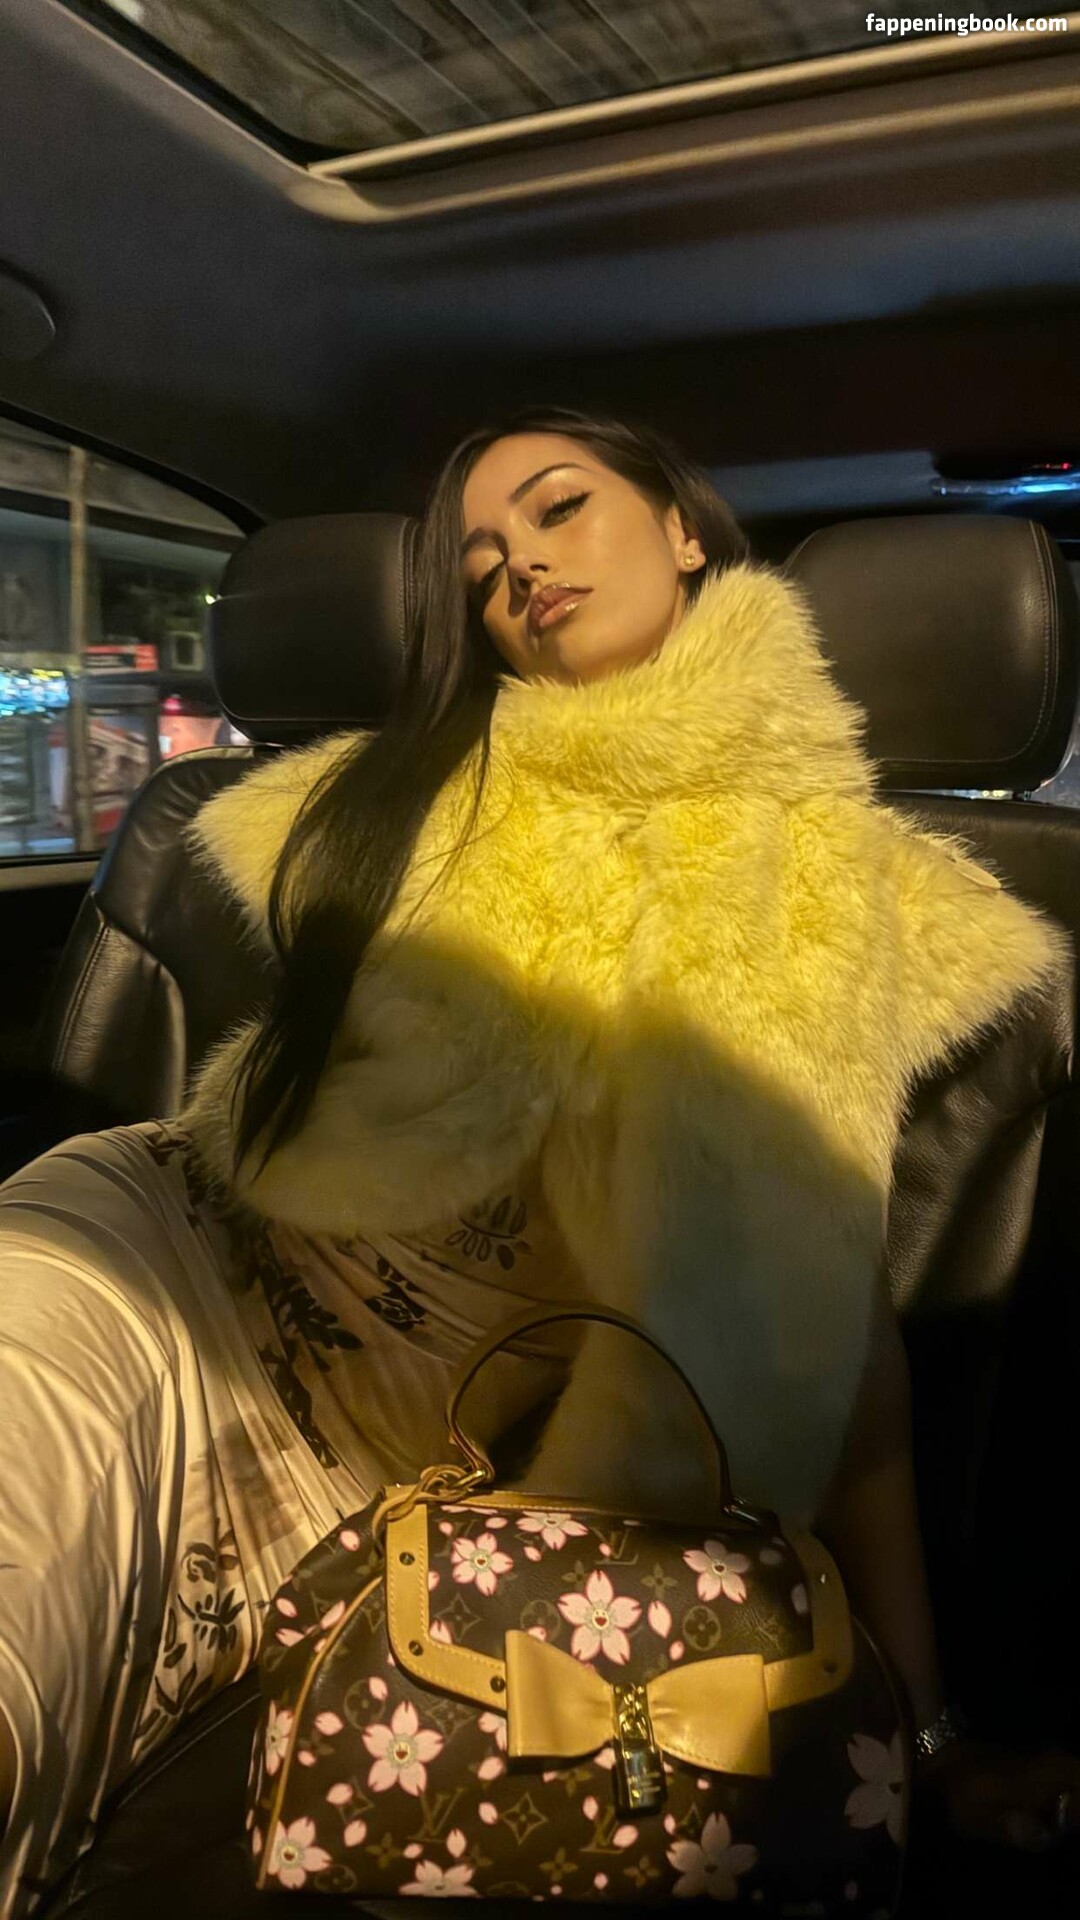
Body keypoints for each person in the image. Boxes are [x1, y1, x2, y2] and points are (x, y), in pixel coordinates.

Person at [0, 408, 1078, 1910]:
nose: (519, 567)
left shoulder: (856, 898)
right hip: (156, 1273)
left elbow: (834, 1345)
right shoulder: (374, 807)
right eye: (482, 563)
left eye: (560, 508)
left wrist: (937, 1736)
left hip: (373, 1475)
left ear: (685, 528)